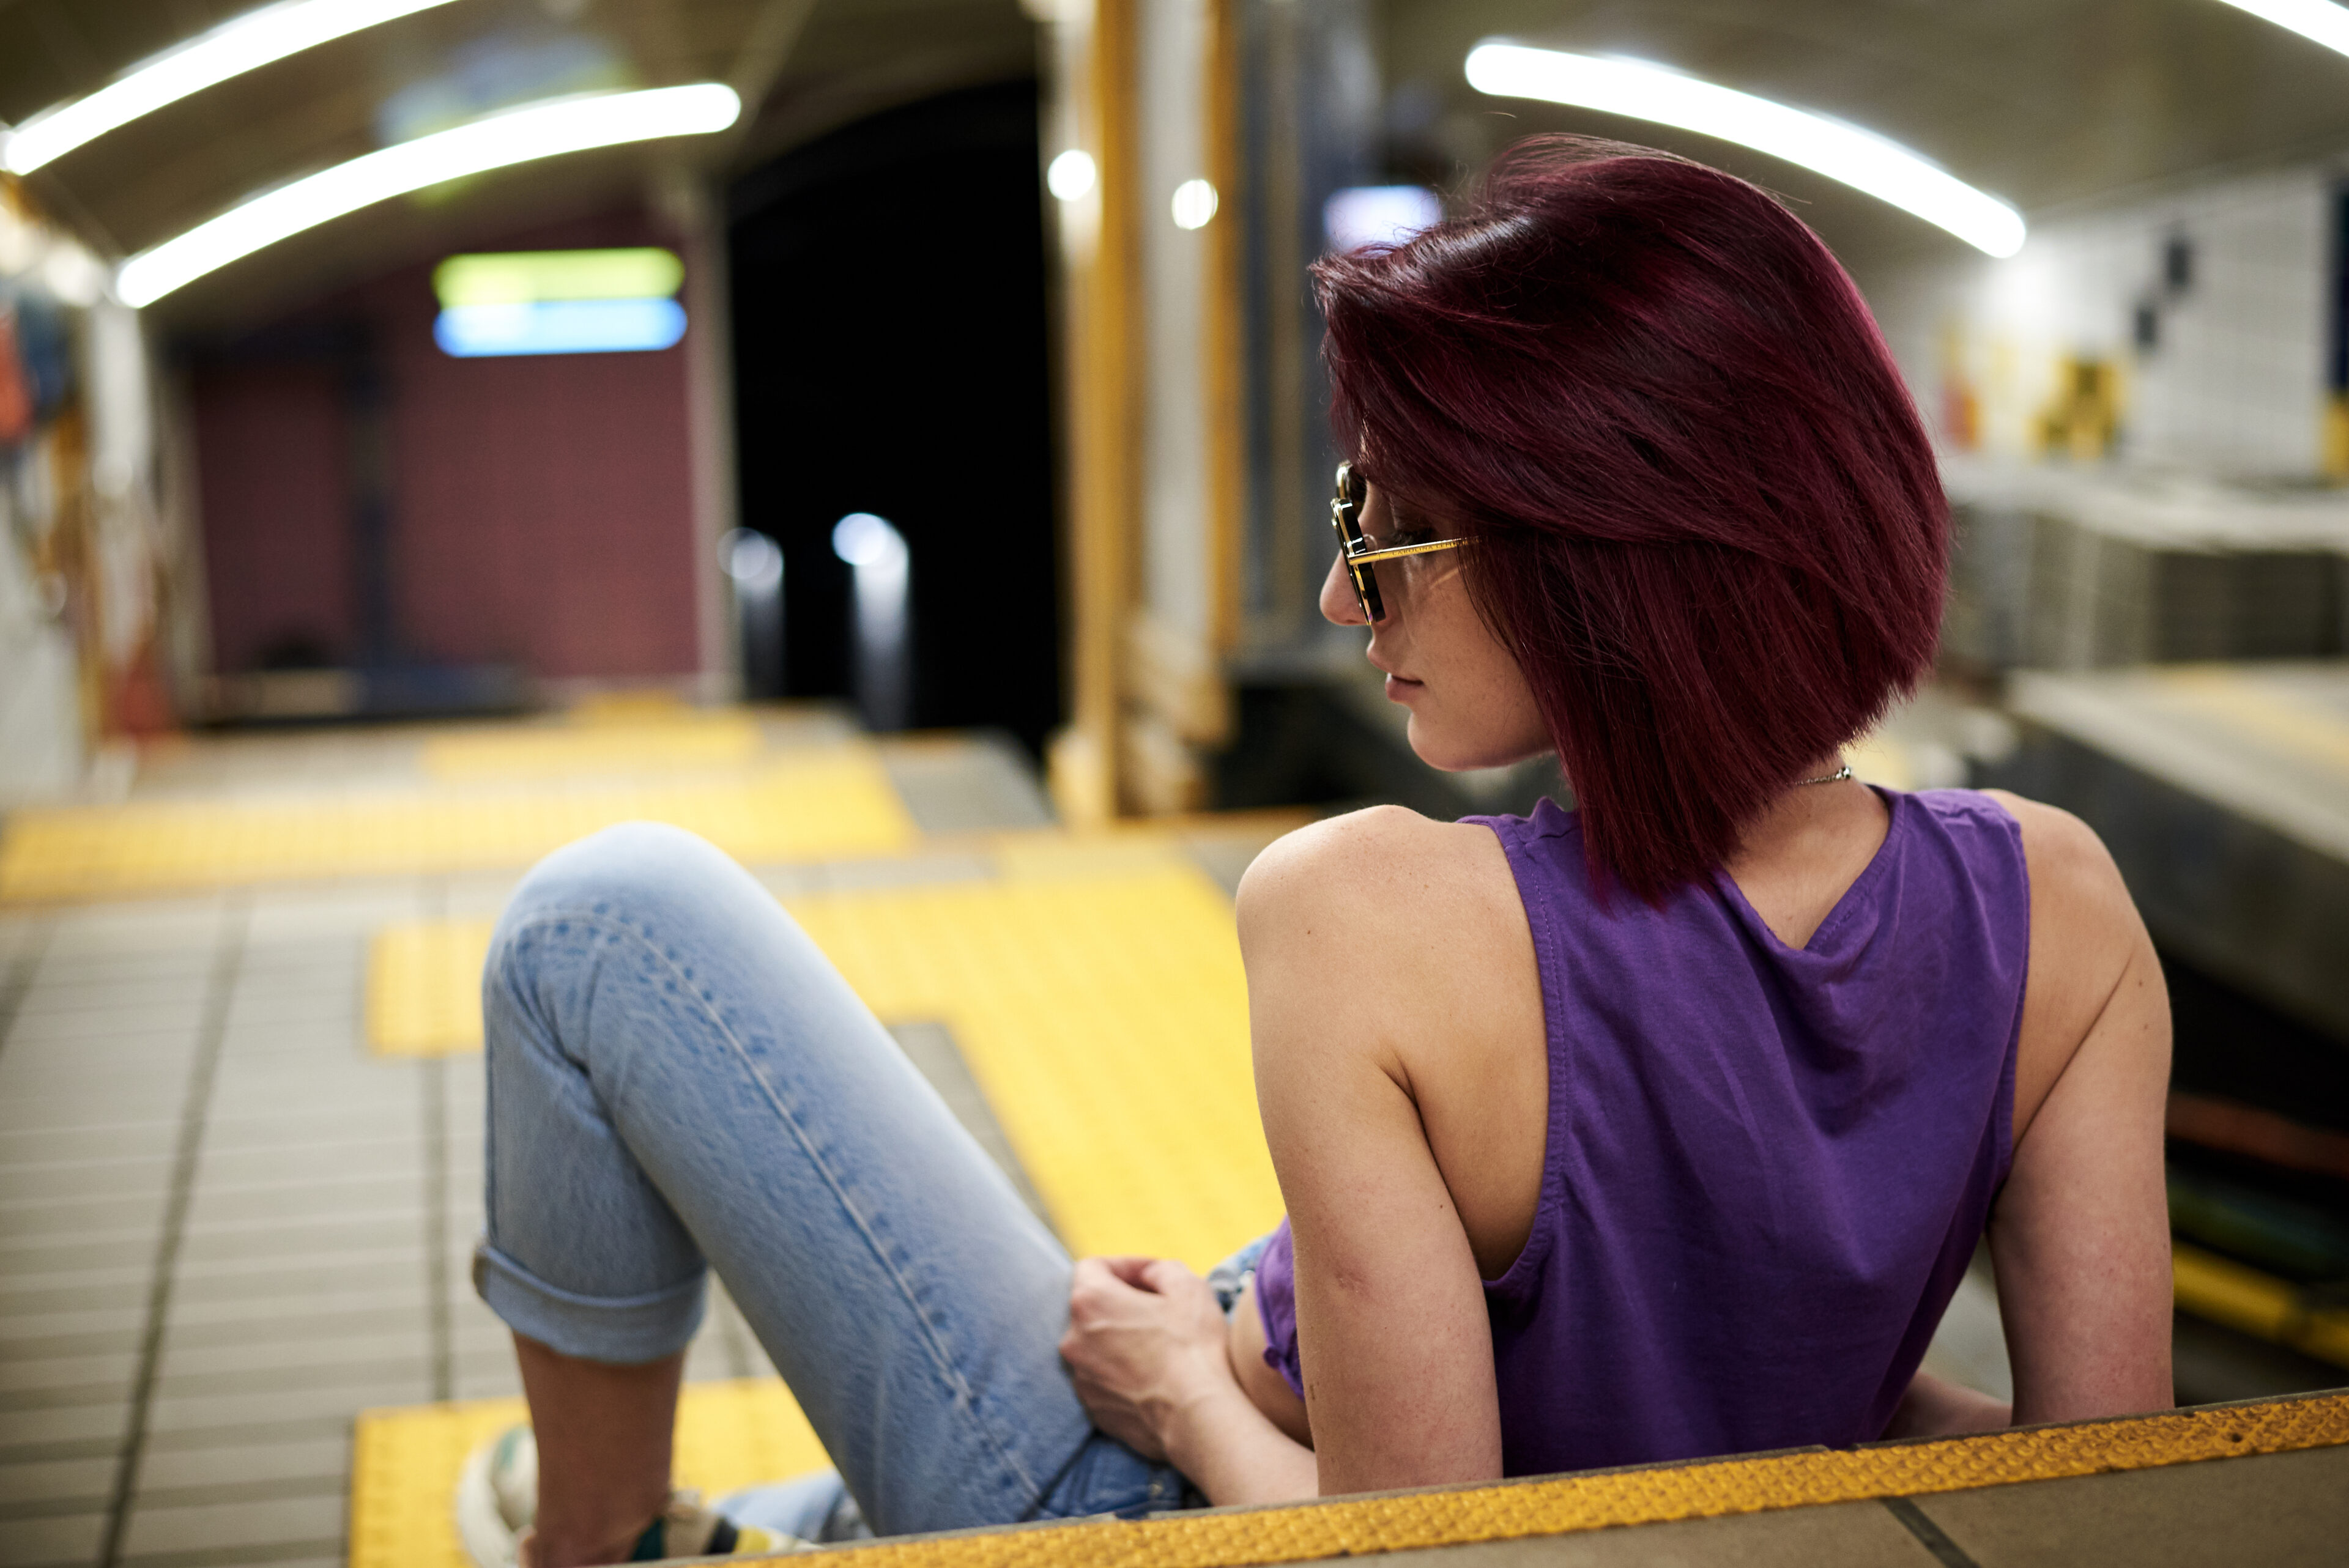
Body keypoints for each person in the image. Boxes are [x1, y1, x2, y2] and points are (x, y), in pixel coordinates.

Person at [455, 138, 2173, 1566]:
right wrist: (1789, 1384)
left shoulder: (1366, 910)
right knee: (828, 1493)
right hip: (1288, 1386)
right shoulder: (2065, 911)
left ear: (1598, 551)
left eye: (1385, 524)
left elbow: (1412, 1551)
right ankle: (769, 1525)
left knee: (604, 919)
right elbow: (2096, 1508)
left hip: (1163, 1498)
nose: (1345, 593)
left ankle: (603, 1545)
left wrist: (1185, 1391)